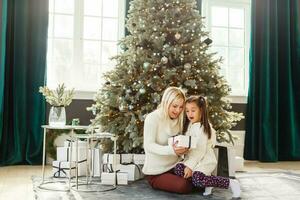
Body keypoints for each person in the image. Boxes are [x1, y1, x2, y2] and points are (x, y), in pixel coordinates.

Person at [173, 95, 241, 198]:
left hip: (204, 159)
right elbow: (189, 144)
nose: (189, 114)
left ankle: (230, 183)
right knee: (178, 168)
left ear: (201, 110)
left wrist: (190, 167)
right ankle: (207, 181)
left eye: (193, 110)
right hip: (192, 159)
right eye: (187, 111)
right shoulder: (190, 125)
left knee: (197, 179)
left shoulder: (203, 127)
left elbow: (200, 150)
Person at [142, 86, 193, 194]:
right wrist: (172, 150)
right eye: (174, 106)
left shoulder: (180, 119)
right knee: (183, 186)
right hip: (157, 172)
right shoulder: (152, 118)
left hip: (175, 166)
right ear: (166, 102)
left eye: (181, 107)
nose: (178, 110)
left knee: (202, 176)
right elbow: (149, 145)